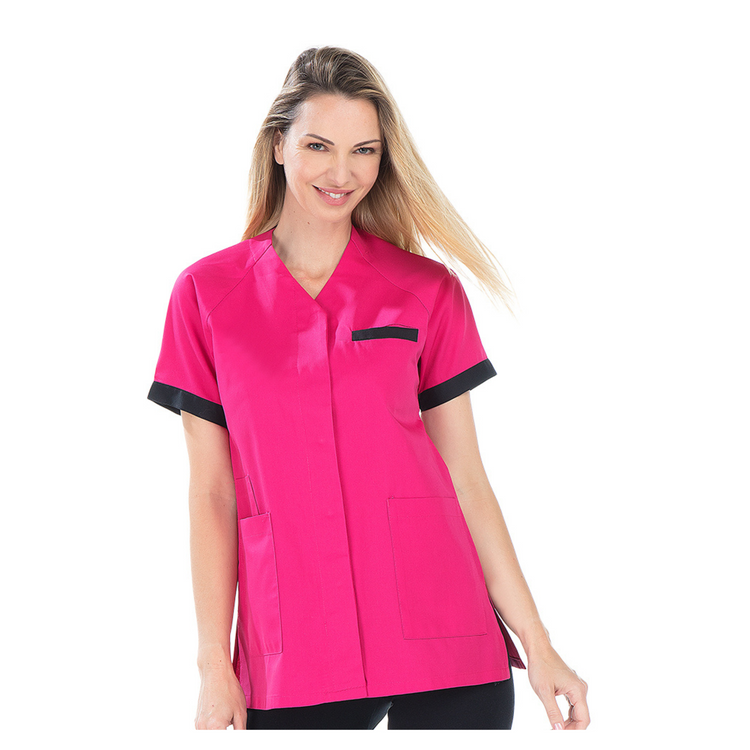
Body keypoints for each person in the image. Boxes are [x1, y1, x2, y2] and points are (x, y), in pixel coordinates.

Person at [147, 46, 590, 731]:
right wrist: (213, 664)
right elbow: (212, 492)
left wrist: (539, 644)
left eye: (364, 151)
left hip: (444, 633)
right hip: (294, 645)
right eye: (318, 146)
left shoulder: (426, 291)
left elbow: (466, 477)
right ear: (277, 146)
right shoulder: (206, 296)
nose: (341, 173)